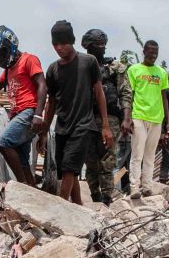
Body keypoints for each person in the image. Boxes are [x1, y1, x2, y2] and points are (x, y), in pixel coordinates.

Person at [40, 20, 114, 204]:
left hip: (83, 125)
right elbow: (52, 102)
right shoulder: (53, 69)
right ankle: (78, 205)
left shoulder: (88, 62)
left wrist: (105, 125)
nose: (59, 48)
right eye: (55, 44)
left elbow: (99, 93)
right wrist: (44, 131)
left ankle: (62, 206)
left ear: (71, 41)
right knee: (69, 170)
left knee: (68, 168)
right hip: (62, 127)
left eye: (63, 43)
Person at [0, 25, 46, 185]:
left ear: (10, 45)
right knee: (22, 159)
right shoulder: (7, 70)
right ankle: (32, 193)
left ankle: (22, 186)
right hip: (16, 115)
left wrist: (38, 115)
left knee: (2, 142)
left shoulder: (29, 60)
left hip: (29, 112)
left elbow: (42, 85)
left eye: (0, 53)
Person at [80, 29, 132, 204]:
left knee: (108, 160)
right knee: (91, 160)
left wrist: (126, 118)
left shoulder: (115, 67)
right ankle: (95, 197)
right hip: (87, 119)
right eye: (97, 44)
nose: (101, 48)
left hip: (110, 119)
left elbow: (125, 93)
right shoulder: (81, 66)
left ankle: (107, 198)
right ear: (87, 46)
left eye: (103, 44)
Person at [126, 40, 169, 198]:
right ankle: (134, 187)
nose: (153, 55)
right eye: (150, 52)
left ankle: (147, 186)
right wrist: (128, 116)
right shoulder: (134, 70)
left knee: (150, 155)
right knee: (137, 153)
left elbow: (164, 97)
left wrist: (168, 120)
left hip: (156, 118)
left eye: (156, 53)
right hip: (138, 115)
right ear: (143, 51)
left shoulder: (162, 73)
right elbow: (129, 94)